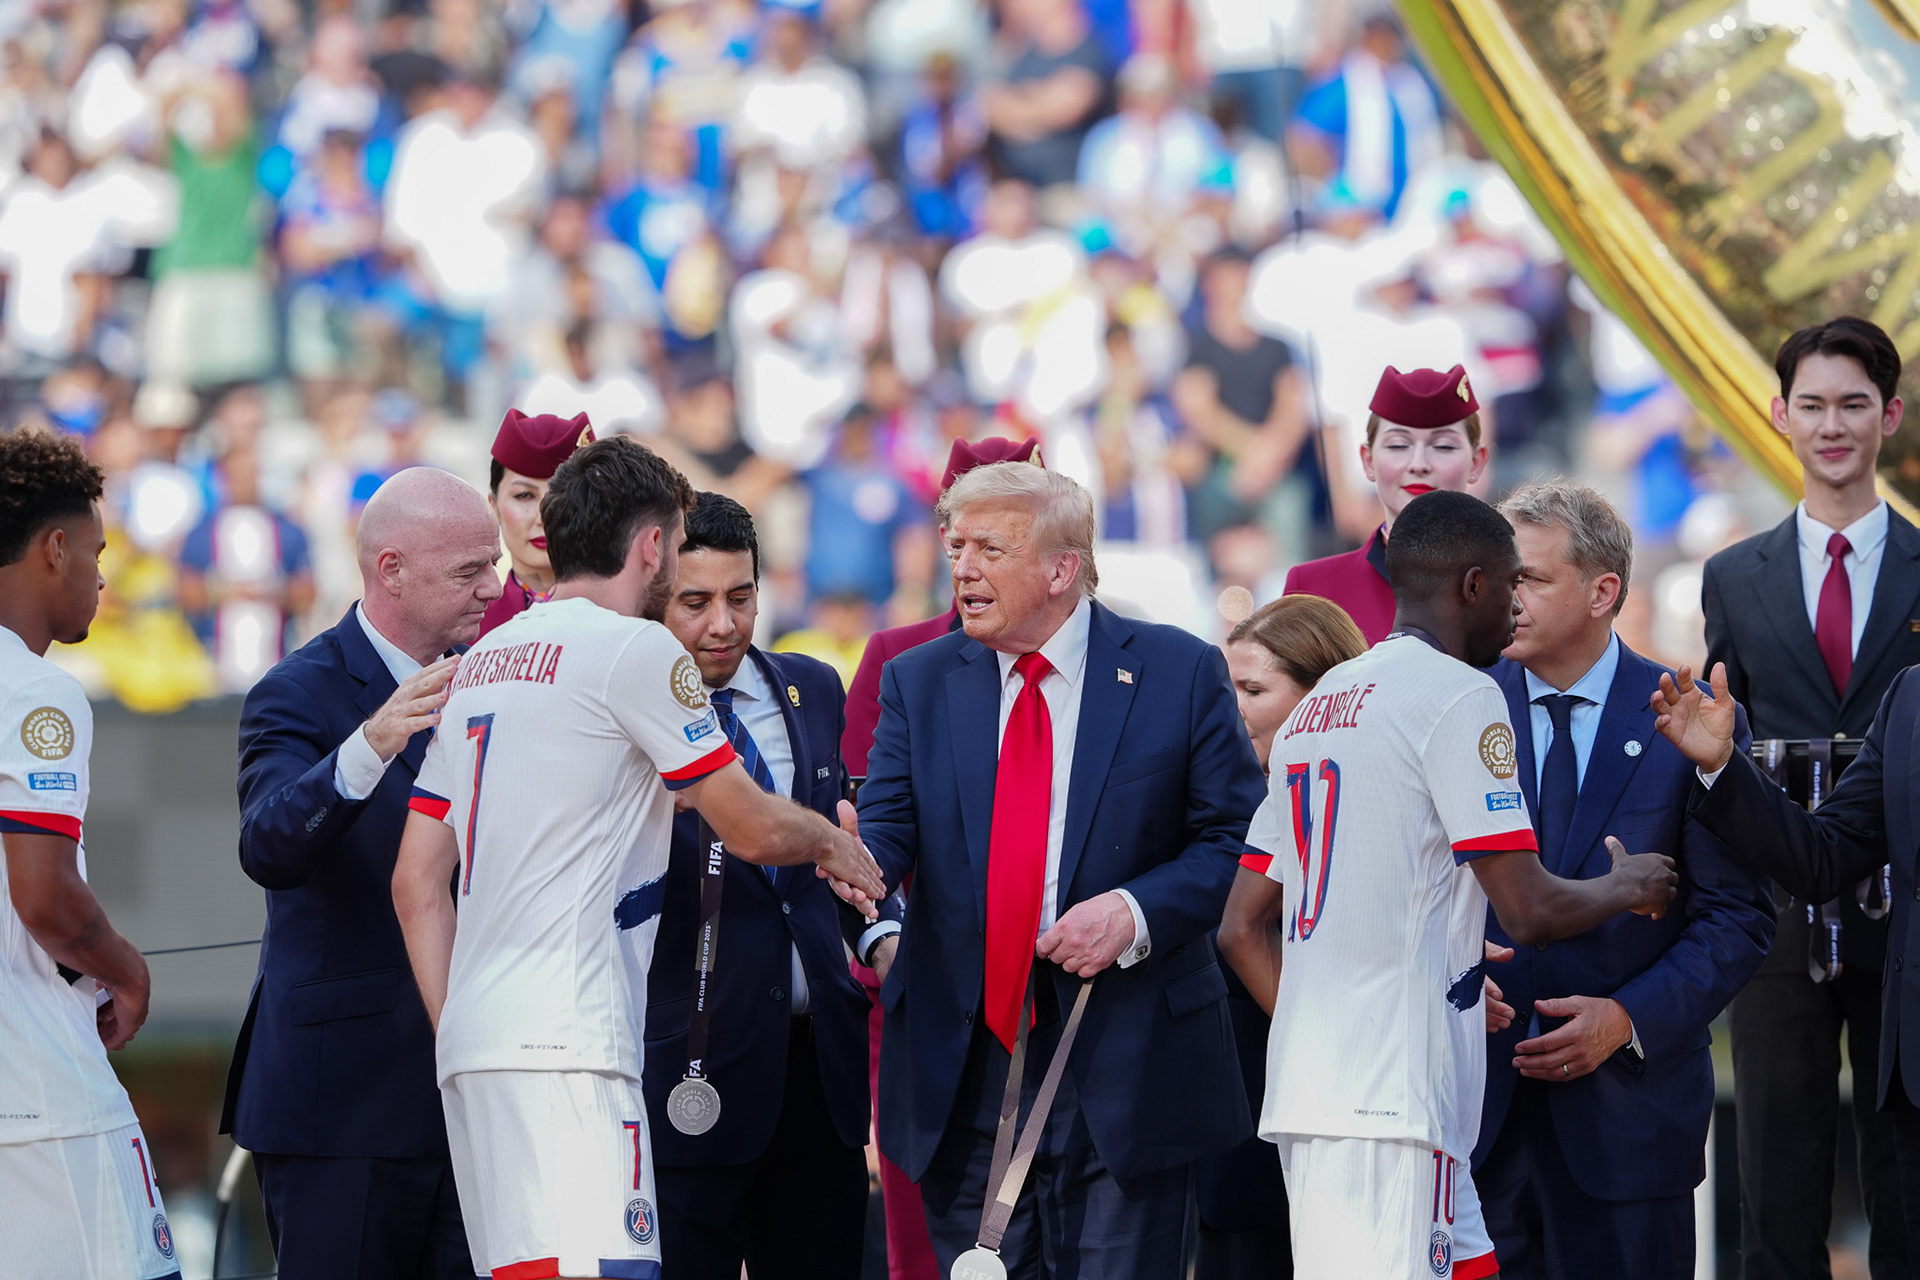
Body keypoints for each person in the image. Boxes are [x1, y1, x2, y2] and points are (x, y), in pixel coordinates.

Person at [390, 438, 883, 1280]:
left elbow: (415, 883)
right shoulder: (636, 651)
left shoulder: (479, 666)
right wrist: (837, 842)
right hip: (575, 1044)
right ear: (653, 544)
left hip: (476, 1046)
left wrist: (460, 1031)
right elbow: (754, 829)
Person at [1220, 489, 1678, 1280]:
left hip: (1324, 1089)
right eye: (1510, 584)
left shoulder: (1320, 705)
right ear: (1473, 585)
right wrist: (1626, 882)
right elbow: (1529, 909)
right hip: (1391, 1101)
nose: (1516, 608)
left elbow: (1240, 926)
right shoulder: (1461, 695)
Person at [852, 460, 1268, 1278]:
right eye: (956, 545)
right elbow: (884, 837)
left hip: (1128, 1067)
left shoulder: (1178, 671)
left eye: (989, 549)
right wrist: (848, 862)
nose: (963, 567)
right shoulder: (918, 681)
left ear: (1060, 569)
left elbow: (1239, 842)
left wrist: (1136, 912)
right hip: (960, 1074)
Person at [1475, 482, 1773, 1278]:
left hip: (1629, 1131)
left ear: (1604, 590)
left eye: (1529, 578)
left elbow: (1737, 921)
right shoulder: (1456, 708)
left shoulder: (1692, 718)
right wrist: (1460, 972)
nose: (1506, 597)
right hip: (1476, 1129)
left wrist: (1625, 1019)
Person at [227, 467, 504, 1279]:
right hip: (339, 1109)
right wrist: (371, 744)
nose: (494, 587)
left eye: (491, 565)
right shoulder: (296, 692)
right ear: (391, 569)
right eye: (469, 570)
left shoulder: (495, 679)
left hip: (475, 1098)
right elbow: (268, 846)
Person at [1700, 316, 1920, 1280]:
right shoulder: (1731, 578)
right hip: (1778, 923)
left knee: (1908, 1194)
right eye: (1815, 405)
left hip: (1908, 926)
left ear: (1891, 416)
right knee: (1775, 1199)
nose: (1834, 426)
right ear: (1780, 415)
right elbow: (1719, 743)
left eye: (1855, 405)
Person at [648, 492, 872, 1278]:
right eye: (696, 601)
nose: (723, 624)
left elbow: (845, 843)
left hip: (819, 1076)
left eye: (741, 598)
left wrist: (879, 931)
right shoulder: (620, 710)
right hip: (686, 1070)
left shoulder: (814, 685)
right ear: (653, 596)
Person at [838, 432, 1041, 1280]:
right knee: (930, 1246)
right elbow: (864, 831)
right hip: (931, 989)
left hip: (1060, 984)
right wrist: (891, 950)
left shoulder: (1119, 662)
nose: (977, 558)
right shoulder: (899, 660)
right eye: (966, 536)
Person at [0, 427, 179, 1280]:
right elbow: (44, 898)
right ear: (54, 547)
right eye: (96, 552)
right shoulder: (38, 691)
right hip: (41, 1098)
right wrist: (127, 969)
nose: (102, 577)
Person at [1203, 594, 1368, 1280]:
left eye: (1252, 689)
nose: (1231, 708)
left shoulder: (1362, 792)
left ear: (1321, 695)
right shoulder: (1208, 794)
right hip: (1242, 1090)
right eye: (1227, 688)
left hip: (1353, 1091)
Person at [1284, 364, 1490, 645]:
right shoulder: (1313, 590)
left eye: (1442, 446)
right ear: (1368, 461)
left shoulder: (1514, 588)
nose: (1419, 464)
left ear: (1476, 463)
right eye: (1398, 445)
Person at [477, 407, 594, 638]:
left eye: (562, 496)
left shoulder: (634, 619)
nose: (543, 518)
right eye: (524, 496)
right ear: (493, 507)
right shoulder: (465, 635)